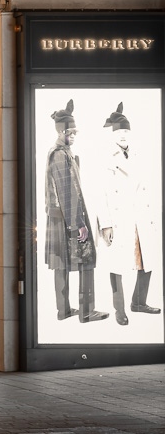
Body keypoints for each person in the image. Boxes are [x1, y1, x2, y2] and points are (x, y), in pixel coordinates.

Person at [44, 100, 106, 323]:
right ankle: (86, 312)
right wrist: (78, 223)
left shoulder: (59, 153)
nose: (73, 136)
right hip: (67, 218)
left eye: (74, 132)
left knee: (61, 265)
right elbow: (67, 191)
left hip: (59, 218)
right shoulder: (60, 154)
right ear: (61, 131)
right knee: (86, 260)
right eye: (70, 132)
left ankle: (64, 311)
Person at [98, 103, 161, 325]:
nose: (123, 135)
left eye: (126, 131)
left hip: (140, 217)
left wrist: (152, 217)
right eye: (119, 132)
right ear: (113, 134)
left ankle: (139, 302)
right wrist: (105, 224)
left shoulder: (138, 154)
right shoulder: (106, 157)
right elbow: (101, 193)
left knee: (145, 259)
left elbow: (148, 186)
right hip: (119, 218)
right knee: (117, 265)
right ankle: (120, 309)